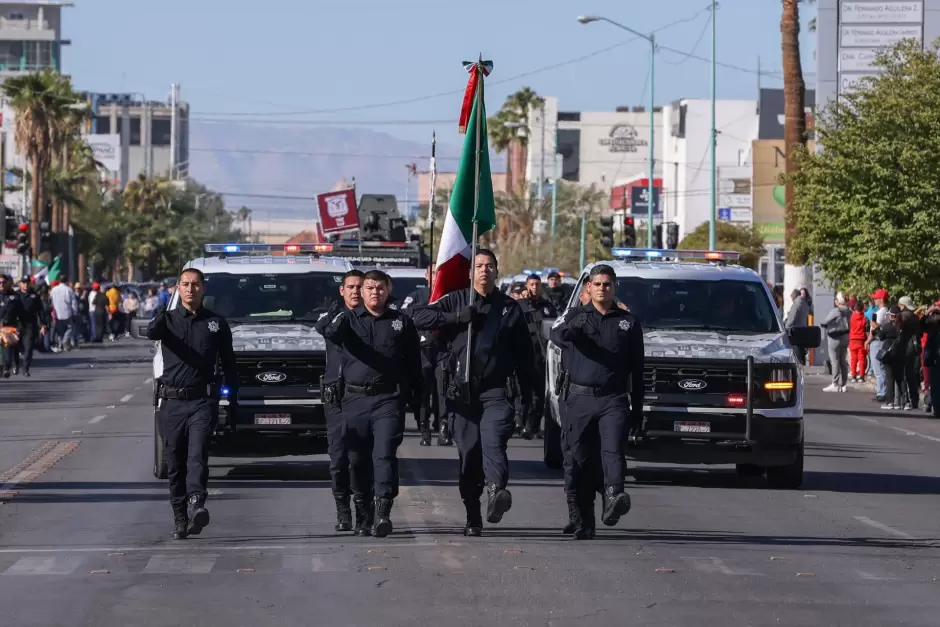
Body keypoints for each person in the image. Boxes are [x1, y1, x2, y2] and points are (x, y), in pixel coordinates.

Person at [411, 249, 536, 535]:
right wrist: (456, 317)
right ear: (470, 272)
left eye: (489, 266)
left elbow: (525, 356)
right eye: (479, 265)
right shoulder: (456, 299)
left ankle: (496, 491)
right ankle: (472, 515)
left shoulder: (509, 308)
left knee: (493, 442)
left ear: (496, 271)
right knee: (469, 455)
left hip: (495, 392)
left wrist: (526, 401)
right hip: (461, 394)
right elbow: (418, 316)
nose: (484, 270)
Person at [320, 269, 422, 538]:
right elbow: (328, 333)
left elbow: (414, 363)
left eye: (380, 288)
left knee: (384, 455)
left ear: (388, 290)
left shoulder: (400, 321)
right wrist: (338, 314)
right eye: (369, 288)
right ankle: (362, 514)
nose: (374, 292)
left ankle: (383, 513)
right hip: (353, 400)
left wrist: (418, 400)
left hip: (388, 400)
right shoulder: (349, 319)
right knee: (356, 461)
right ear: (360, 292)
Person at [549, 265, 643, 539]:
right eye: (597, 284)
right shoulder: (575, 316)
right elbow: (556, 336)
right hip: (578, 399)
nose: (603, 289)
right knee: (579, 461)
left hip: (613, 398)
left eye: (608, 284)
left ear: (615, 288)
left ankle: (614, 496)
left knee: (612, 450)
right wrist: (573, 328)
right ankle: (584, 521)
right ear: (588, 287)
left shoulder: (628, 323)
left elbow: (638, 370)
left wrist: (637, 408)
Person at [147, 268, 238, 540]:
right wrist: (161, 314)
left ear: (203, 288)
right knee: (175, 462)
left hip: (201, 401)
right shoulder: (169, 320)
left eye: (195, 284)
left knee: (197, 454)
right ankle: (179, 515)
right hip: (172, 402)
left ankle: (197, 502)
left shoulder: (216, 324)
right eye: (185, 284)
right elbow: (151, 333)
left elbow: (229, 364)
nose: (190, 289)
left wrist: (232, 400)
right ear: (178, 288)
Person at [314, 269, 364, 532]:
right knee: (339, 458)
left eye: (360, 287)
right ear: (342, 291)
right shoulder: (332, 316)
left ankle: (363, 509)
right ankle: (343, 511)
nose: (355, 291)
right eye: (351, 287)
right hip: (337, 397)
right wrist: (339, 314)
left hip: (363, 395)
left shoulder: (372, 317)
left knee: (361, 458)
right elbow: (323, 328)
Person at [400, 263, 448, 447]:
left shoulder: (449, 296)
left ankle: (444, 429)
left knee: (444, 392)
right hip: (421, 352)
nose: (437, 276)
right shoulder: (415, 296)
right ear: (427, 276)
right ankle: (424, 430)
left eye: (440, 273)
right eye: (434, 273)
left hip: (443, 351)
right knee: (422, 394)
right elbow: (404, 317)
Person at [15, 277, 47, 376]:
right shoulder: (15, 295)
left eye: (27, 283)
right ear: (20, 284)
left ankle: (25, 369)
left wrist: (43, 324)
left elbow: (40, 311)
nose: (25, 285)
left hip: (30, 324)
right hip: (17, 324)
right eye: (23, 283)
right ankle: (15, 365)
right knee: (14, 347)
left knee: (28, 348)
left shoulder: (34, 296)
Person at [820, 292, 851, 392]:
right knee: (843, 361)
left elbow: (825, 321)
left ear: (838, 301)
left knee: (835, 361)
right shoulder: (849, 311)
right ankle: (844, 384)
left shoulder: (836, 311)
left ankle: (835, 383)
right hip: (846, 336)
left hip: (835, 337)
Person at [0, 275, 26, 377]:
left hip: (9, 327)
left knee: (7, 346)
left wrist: (22, 325)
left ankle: (7, 368)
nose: (1, 284)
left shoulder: (15, 297)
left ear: (8, 283)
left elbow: (21, 312)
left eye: (3, 282)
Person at [848, 299, 870, 383]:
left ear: (855, 308)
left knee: (853, 359)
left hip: (853, 339)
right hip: (861, 340)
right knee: (861, 359)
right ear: (862, 309)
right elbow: (867, 330)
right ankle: (861, 376)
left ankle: (853, 376)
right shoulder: (865, 318)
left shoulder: (852, 317)